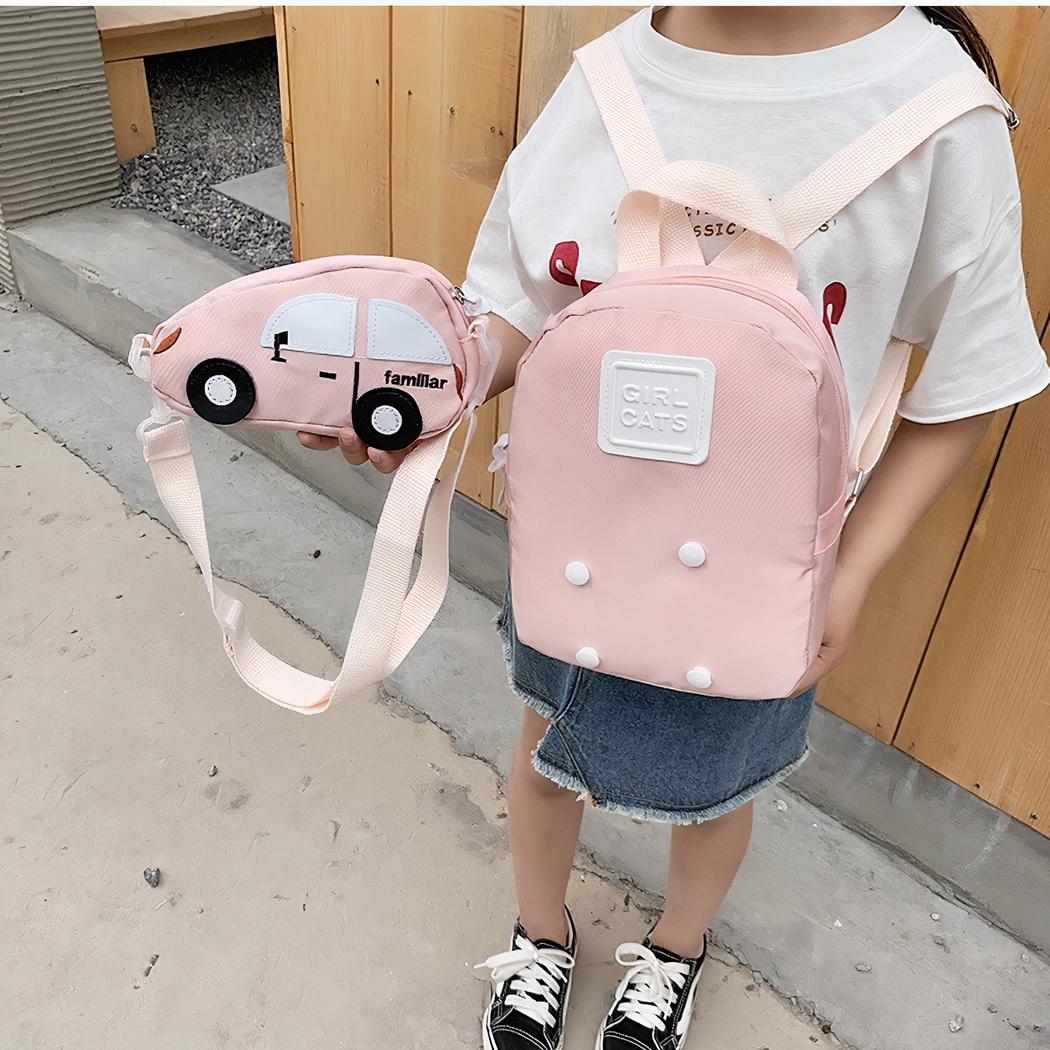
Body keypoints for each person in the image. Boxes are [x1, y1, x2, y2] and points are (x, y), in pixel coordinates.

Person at [299, 7, 1049, 1049]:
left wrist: (857, 568)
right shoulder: (607, 78)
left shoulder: (940, 115)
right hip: (578, 547)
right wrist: (431, 394)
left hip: (761, 581)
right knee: (546, 739)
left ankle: (675, 950)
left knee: (716, 790)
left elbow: (971, 381)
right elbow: (520, 304)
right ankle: (538, 931)